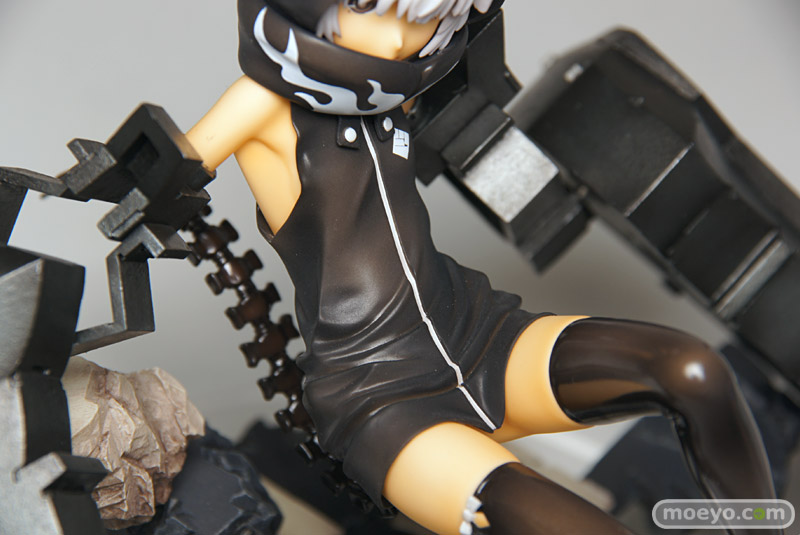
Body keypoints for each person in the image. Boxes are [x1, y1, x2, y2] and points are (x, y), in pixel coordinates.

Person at [185, 1, 778, 533]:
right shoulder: (261, 103)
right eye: (372, 10)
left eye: (420, 21)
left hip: (479, 333)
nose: (398, 40)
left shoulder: (398, 90)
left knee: (692, 371)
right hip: (380, 394)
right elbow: (168, 171)